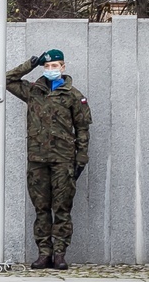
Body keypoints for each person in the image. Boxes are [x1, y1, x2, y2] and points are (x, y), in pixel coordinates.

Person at [6, 49, 92, 270]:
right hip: (37, 159)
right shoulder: (34, 91)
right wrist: (31, 64)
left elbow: (82, 129)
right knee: (41, 208)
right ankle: (44, 253)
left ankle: (60, 253)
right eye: (48, 66)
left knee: (62, 208)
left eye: (56, 66)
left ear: (63, 68)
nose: (51, 69)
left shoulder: (73, 95)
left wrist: (81, 158)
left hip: (63, 159)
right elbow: (7, 80)